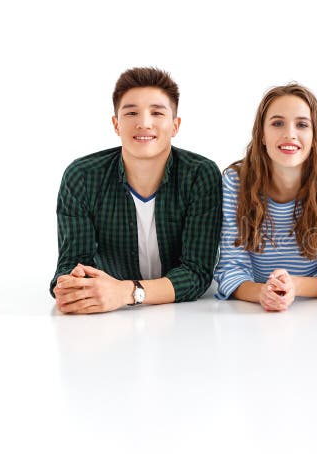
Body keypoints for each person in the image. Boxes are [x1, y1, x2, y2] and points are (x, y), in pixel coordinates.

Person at [51, 67, 222, 314]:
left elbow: (197, 273)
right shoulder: (82, 177)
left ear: (175, 125)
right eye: (131, 112)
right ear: (116, 124)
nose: (144, 123)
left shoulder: (199, 175)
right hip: (108, 321)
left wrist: (126, 293)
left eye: (157, 112)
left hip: (186, 320)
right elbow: (72, 262)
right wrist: (72, 284)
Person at [214, 83, 317, 311]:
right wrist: (262, 293)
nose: (290, 134)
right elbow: (231, 267)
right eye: (277, 123)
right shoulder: (236, 181)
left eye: (301, 125)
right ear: (261, 134)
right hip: (250, 312)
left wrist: (293, 287)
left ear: (315, 135)